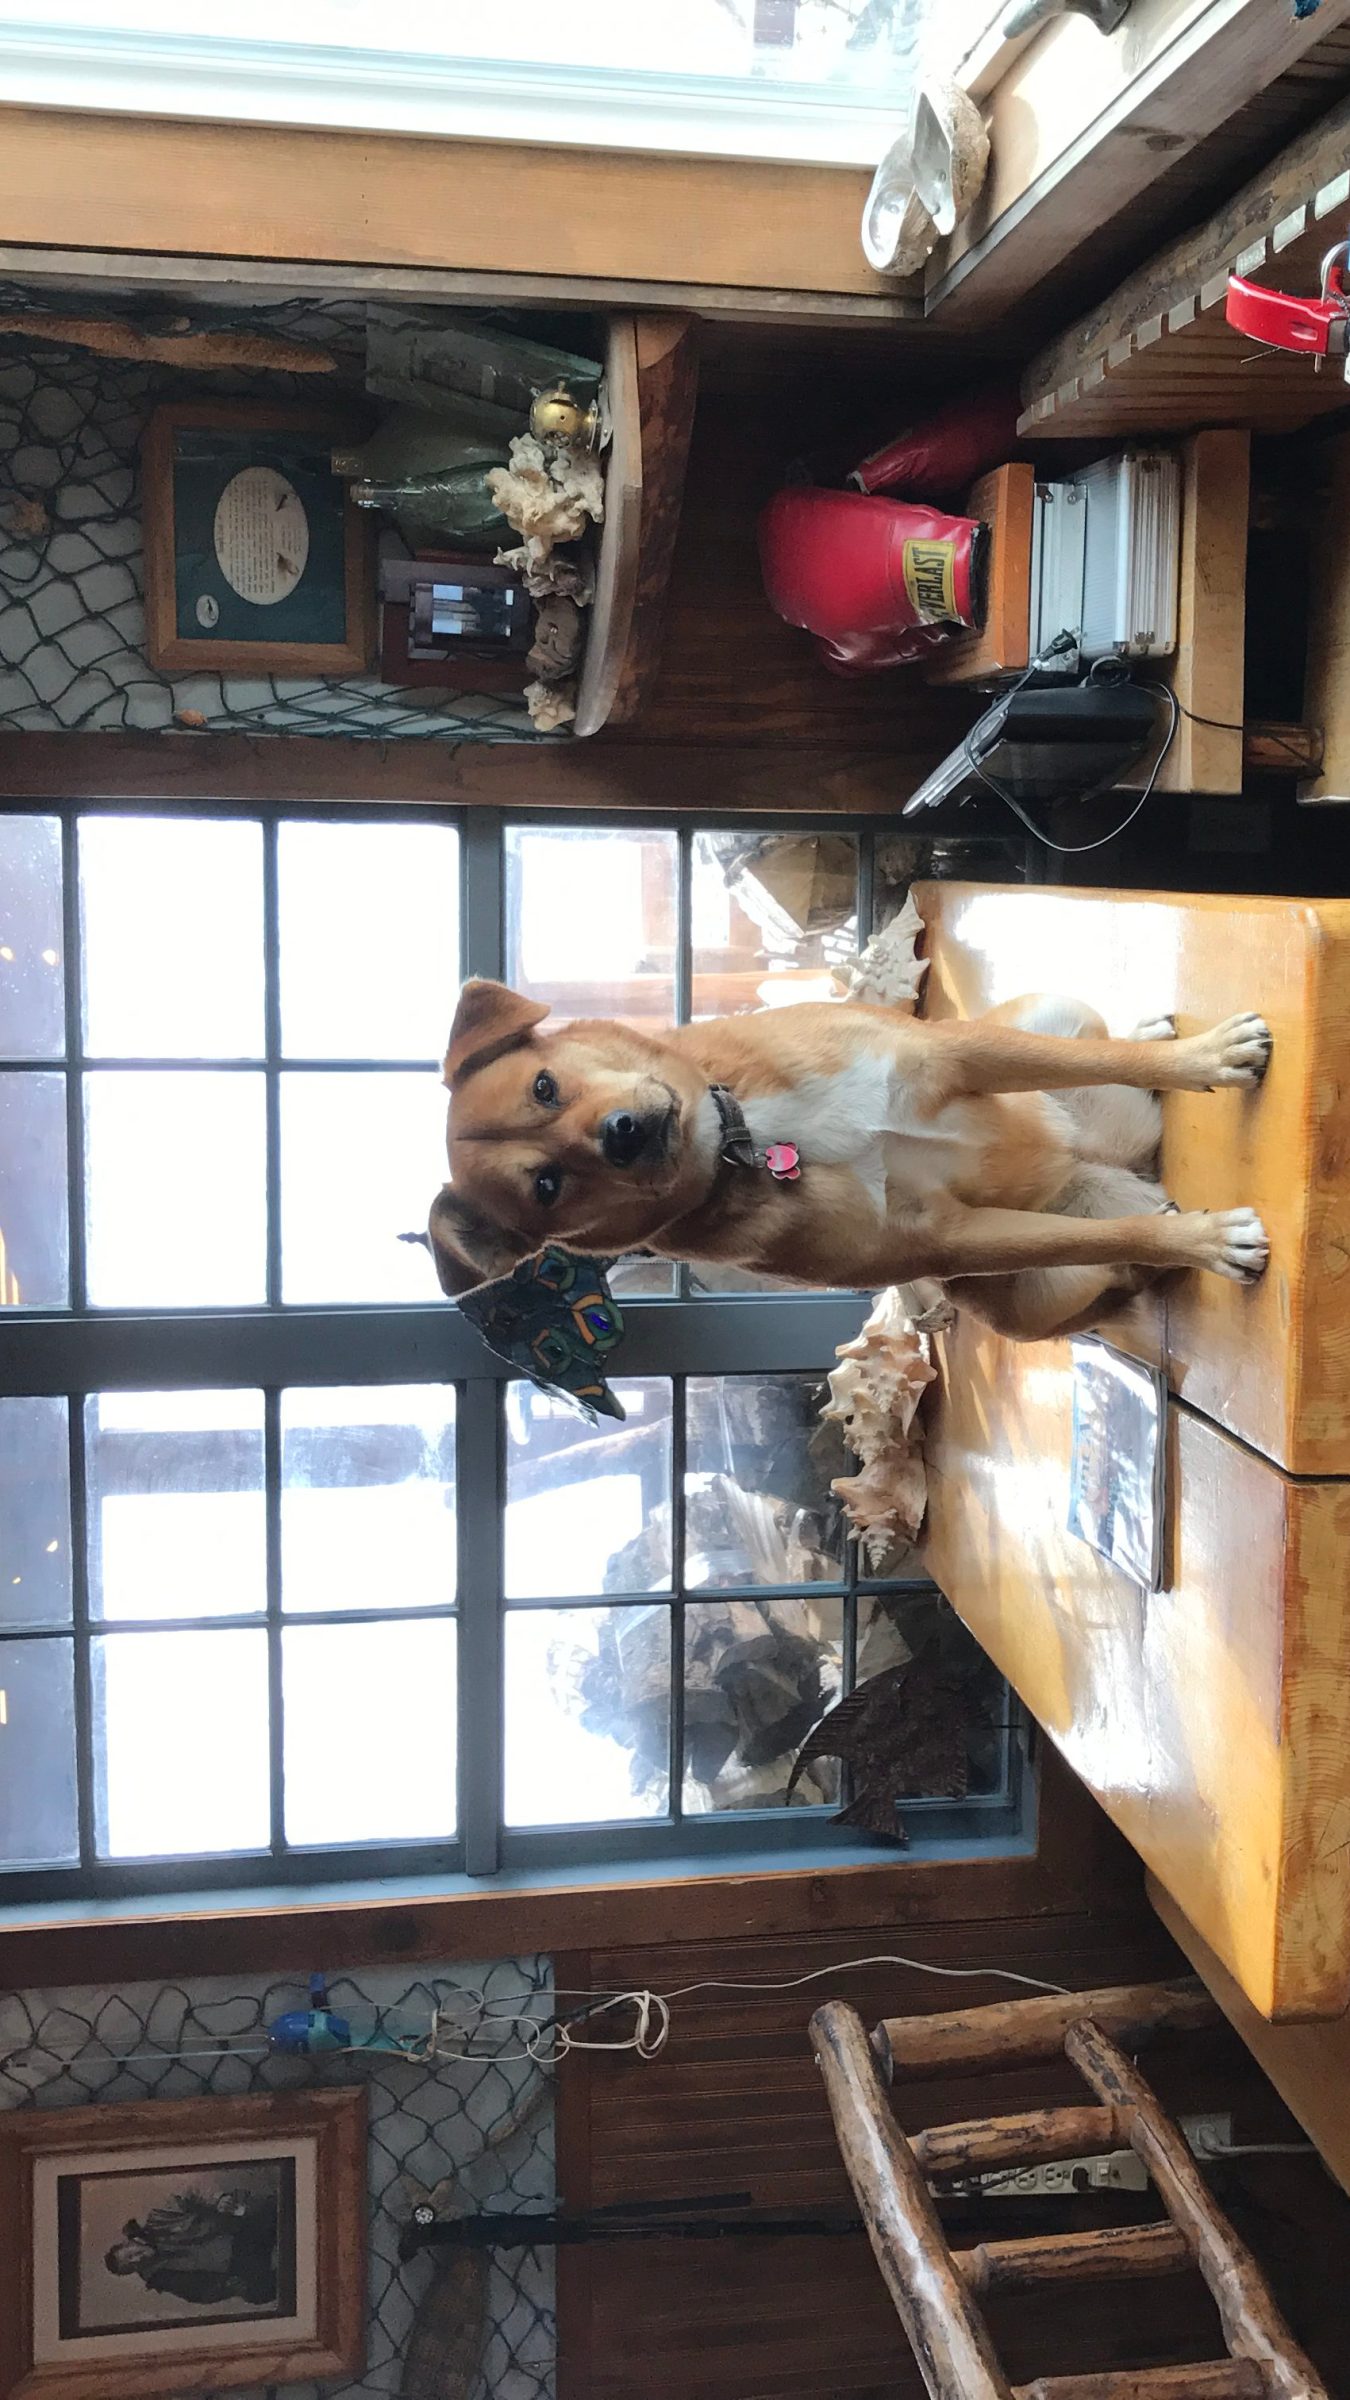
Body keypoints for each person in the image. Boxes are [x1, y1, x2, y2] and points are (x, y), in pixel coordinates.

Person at [103, 2185, 278, 2308]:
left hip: (236, 2228)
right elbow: (197, 2293)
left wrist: (217, 2200)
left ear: (129, 2243)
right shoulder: (161, 2277)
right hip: (236, 2264)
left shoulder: (158, 2218)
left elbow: (190, 2194)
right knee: (260, 2292)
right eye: (132, 2266)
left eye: (130, 2255)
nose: (137, 2259)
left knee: (272, 2209)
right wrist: (226, 2288)